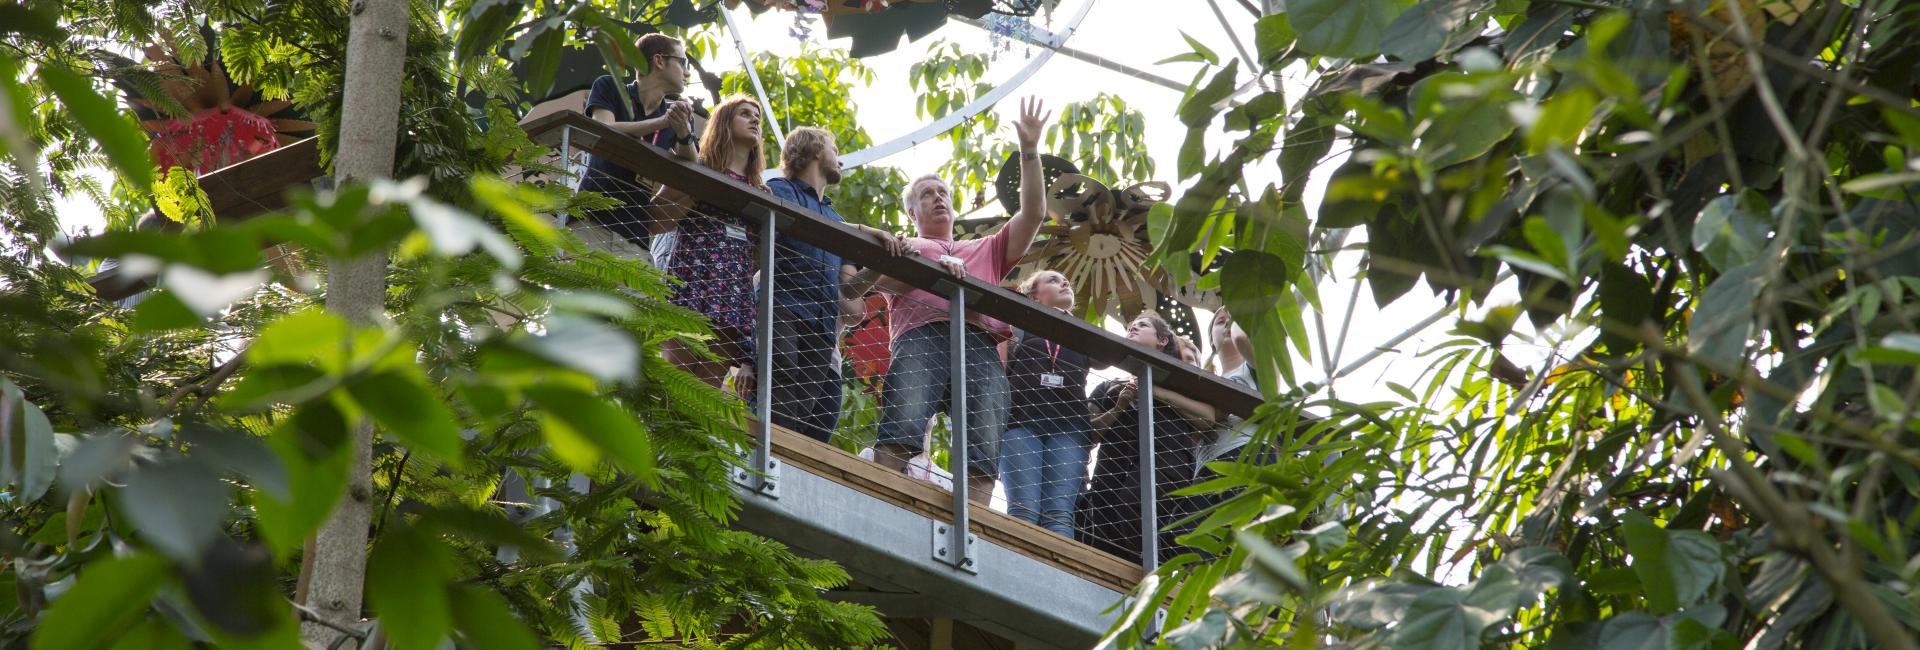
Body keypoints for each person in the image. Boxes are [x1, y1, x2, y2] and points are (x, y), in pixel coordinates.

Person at [857, 97, 1053, 505]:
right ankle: (878, 503)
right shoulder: (904, 245)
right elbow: (859, 288)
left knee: (983, 447)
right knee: (902, 426)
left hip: (978, 343)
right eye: (927, 194)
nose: (938, 198)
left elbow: (1034, 213)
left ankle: (973, 529)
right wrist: (892, 259)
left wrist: (1029, 150)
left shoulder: (986, 249)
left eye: (943, 192)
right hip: (921, 337)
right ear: (912, 212)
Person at [761, 126, 911, 443]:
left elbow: (850, 289)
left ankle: (787, 459)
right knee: (780, 379)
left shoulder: (834, 217)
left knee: (805, 405)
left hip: (821, 320)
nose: (840, 160)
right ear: (815, 149)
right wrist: (867, 230)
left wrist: (882, 258)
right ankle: (765, 453)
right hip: (783, 303)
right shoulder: (780, 189)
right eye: (835, 150)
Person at [1077, 312, 1218, 564]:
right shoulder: (1110, 386)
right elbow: (1088, 432)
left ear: (1162, 340)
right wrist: (1119, 406)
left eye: (1141, 325)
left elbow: (1207, 418)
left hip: (1165, 460)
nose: (1133, 328)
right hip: (1113, 466)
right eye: (1131, 326)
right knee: (1103, 520)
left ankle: (1157, 569)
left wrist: (1153, 389)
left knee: (1133, 508)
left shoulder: (1177, 379)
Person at [653, 96, 767, 389]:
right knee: (674, 376)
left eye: (758, 116)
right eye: (745, 114)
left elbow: (758, 252)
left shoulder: (760, 190)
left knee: (708, 387)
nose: (755, 120)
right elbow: (656, 216)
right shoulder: (699, 164)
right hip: (694, 276)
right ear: (725, 123)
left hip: (732, 288)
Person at [577, 33, 699, 258]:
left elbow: (692, 164)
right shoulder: (610, 86)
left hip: (636, 234)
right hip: (590, 221)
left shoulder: (676, 116)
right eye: (683, 63)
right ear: (659, 60)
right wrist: (662, 123)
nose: (688, 72)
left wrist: (683, 132)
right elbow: (604, 128)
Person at [998, 270, 1094, 536]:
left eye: (1066, 281)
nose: (1064, 283)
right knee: (1024, 509)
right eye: (1053, 280)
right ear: (1034, 297)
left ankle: (1057, 564)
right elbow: (1000, 368)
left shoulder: (1083, 335)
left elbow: (1107, 359)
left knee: (1060, 514)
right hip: (1020, 422)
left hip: (1069, 428)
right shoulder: (1016, 328)